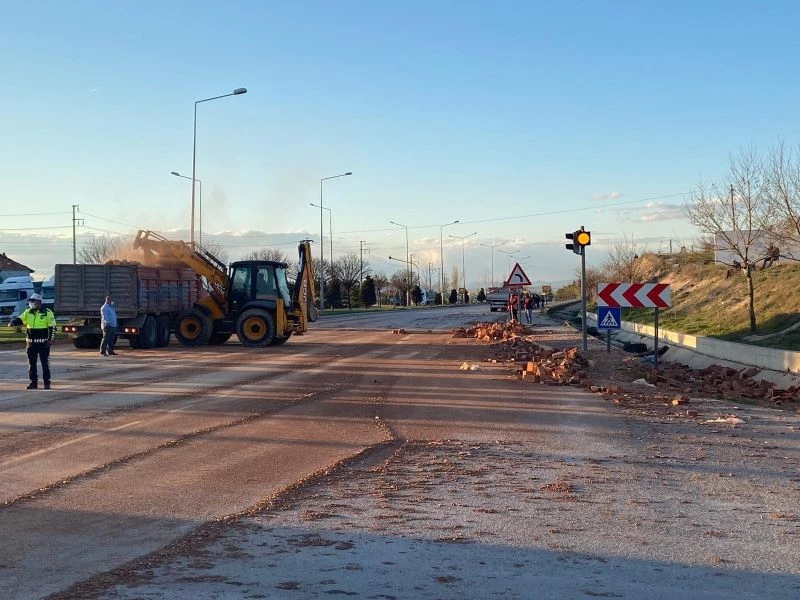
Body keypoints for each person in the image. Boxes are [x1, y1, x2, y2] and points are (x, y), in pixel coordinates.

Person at [9, 292, 56, 389]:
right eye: (30, 301)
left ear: (39, 302)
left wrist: (51, 339)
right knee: (31, 364)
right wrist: (13, 323)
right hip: (31, 343)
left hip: (43, 343)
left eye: (33, 301)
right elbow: (20, 319)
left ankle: (47, 383)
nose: (31, 303)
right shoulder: (28, 312)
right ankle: (33, 382)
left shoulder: (47, 312)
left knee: (45, 364)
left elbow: (53, 327)